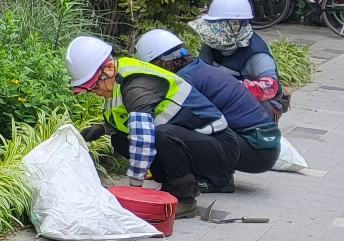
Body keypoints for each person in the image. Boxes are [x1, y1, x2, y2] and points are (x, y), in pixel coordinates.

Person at [67, 36, 235, 218]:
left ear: (108, 68)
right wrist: (103, 128)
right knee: (120, 141)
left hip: (221, 146)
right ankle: (170, 187)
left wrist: (134, 191)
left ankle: (184, 199)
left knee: (164, 135)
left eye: (94, 86)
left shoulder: (136, 86)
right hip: (196, 140)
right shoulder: (119, 79)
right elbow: (129, 119)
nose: (94, 92)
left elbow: (143, 139)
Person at [136, 28, 280, 191]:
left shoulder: (185, 81)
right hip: (262, 144)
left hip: (257, 150)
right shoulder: (196, 68)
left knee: (170, 131)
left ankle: (218, 179)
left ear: (162, 61)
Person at [191, 0, 290, 119]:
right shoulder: (211, 45)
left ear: (237, 25)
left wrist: (231, 87)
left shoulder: (257, 53)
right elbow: (199, 73)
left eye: (220, 25)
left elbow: (270, 87)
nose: (214, 30)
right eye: (213, 25)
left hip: (261, 109)